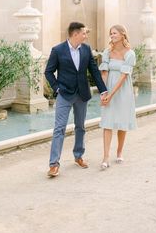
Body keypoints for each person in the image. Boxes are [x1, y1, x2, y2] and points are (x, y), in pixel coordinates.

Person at [45, 22, 108, 177]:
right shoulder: (58, 50)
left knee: (80, 127)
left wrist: (103, 91)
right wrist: (57, 88)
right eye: (84, 33)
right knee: (59, 129)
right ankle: (54, 164)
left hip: (82, 94)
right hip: (64, 94)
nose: (86, 36)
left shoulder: (86, 49)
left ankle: (78, 156)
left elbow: (94, 71)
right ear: (75, 34)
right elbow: (48, 72)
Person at [99, 25, 137, 170]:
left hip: (123, 91)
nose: (111, 35)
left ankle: (119, 151)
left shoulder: (130, 54)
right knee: (107, 123)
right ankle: (105, 157)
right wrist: (104, 92)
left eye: (114, 33)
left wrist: (111, 94)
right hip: (108, 89)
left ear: (122, 35)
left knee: (122, 122)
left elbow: (123, 77)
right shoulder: (107, 52)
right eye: (110, 33)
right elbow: (104, 73)